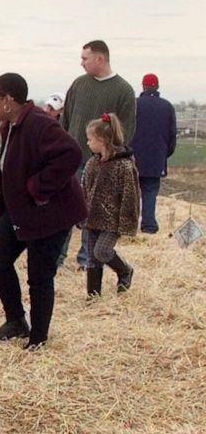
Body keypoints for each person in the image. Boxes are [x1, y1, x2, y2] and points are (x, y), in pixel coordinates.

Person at [0, 74, 87, 350]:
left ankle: (38, 338)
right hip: (19, 211)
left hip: (49, 213)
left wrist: (37, 187)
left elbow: (71, 154)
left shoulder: (39, 124)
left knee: (39, 276)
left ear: (8, 101)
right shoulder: (11, 125)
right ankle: (16, 320)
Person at [61, 40, 136, 269]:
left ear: (100, 59)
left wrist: (111, 158)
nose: (81, 63)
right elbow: (66, 119)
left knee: (92, 214)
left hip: (102, 164)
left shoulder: (123, 90)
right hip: (72, 160)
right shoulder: (78, 84)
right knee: (64, 211)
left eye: (85, 58)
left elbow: (127, 130)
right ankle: (56, 257)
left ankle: (87, 261)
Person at [81, 113, 140, 297]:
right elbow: (84, 189)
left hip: (112, 221)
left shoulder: (123, 166)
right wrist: (80, 213)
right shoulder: (92, 163)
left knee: (102, 251)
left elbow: (130, 196)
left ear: (102, 140)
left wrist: (127, 222)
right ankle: (93, 296)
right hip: (92, 218)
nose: (88, 143)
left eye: (90, 139)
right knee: (92, 257)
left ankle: (124, 271)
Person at [131, 73, 177, 234]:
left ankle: (130, 225)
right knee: (150, 191)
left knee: (132, 191)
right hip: (156, 158)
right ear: (157, 86)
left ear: (143, 86)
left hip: (133, 157)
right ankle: (148, 226)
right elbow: (172, 135)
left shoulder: (134, 105)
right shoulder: (167, 106)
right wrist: (165, 154)